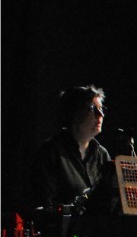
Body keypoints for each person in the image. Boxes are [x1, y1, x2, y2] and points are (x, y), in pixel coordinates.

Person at [29, 84, 113, 216]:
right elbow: (44, 204)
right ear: (74, 112)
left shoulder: (102, 154)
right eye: (92, 109)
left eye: (102, 109)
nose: (101, 114)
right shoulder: (51, 152)